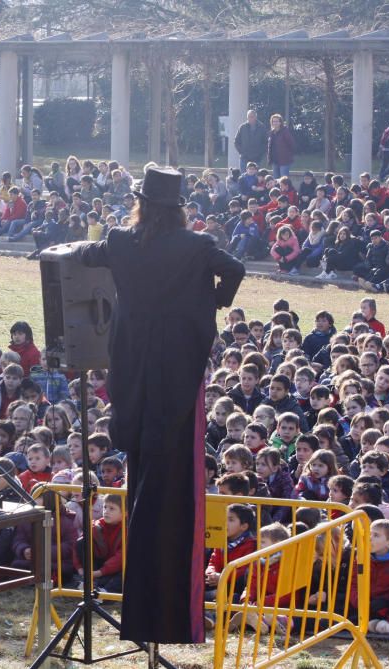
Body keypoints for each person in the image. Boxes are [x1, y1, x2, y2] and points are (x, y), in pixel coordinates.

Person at [76, 166, 245, 644]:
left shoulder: (122, 241)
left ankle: (140, 608)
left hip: (134, 375)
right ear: (179, 209)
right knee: (171, 478)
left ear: (141, 205)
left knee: (140, 470)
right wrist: (211, 301)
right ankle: (167, 610)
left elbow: (89, 252)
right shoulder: (196, 247)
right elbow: (235, 269)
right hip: (176, 377)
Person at [267, 114, 296, 179]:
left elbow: (292, 144)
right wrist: (269, 158)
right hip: (275, 161)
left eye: (277, 121)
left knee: (284, 180)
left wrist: (288, 155)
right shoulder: (271, 133)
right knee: (276, 179)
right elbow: (270, 147)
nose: (275, 123)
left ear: (280, 122)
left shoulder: (285, 131)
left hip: (284, 161)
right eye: (273, 121)